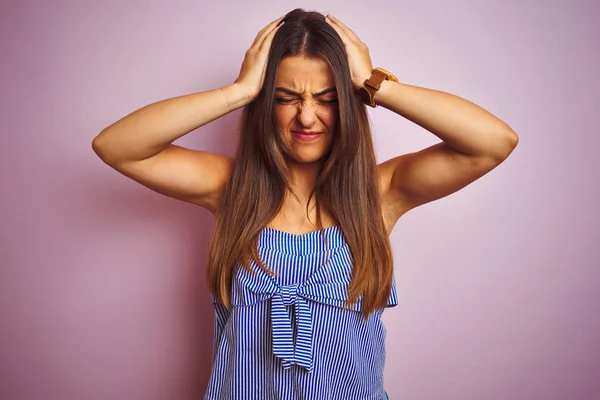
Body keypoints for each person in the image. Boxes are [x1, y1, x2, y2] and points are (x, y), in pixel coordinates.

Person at [92, 8, 518, 400]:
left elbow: (492, 143)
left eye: (328, 98)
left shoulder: (380, 193)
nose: (308, 117)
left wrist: (376, 84)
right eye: (286, 98)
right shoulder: (230, 188)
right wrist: (239, 91)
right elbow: (117, 147)